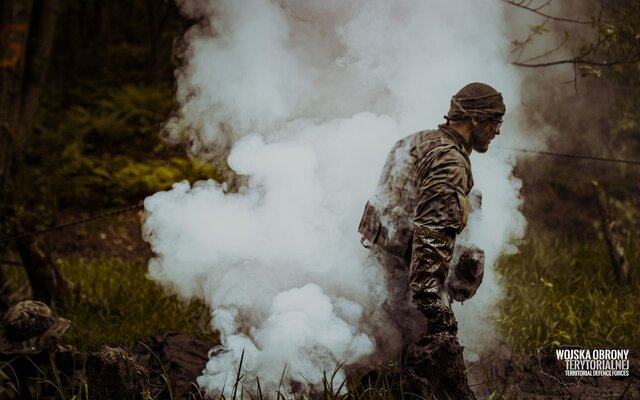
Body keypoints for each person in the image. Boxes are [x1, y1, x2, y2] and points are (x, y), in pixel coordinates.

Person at [358, 82, 505, 399]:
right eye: (495, 121)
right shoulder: (450, 162)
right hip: (409, 281)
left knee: (377, 365)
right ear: (475, 119)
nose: (497, 130)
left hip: (378, 268)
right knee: (415, 381)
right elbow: (432, 235)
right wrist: (432, 307)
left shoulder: (413, 141)